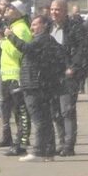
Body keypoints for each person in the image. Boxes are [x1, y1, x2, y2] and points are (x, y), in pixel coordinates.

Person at [15, 13, 62, 162]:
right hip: (40, 84)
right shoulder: (47, 40)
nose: (32, 28)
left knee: (39, 118)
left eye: (35, 24)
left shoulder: (42, 40)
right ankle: (49, 151)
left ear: (44, 25)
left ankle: (39, 151)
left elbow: (25, 48)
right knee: (46, 119)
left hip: (35, 84)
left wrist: (10, 36)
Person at [48, 0, 84, 157]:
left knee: (67, 110)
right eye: (52, 9)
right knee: (55, 112)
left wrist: (73, 67)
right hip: (51, 75)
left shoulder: (74, 28)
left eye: (57, 9)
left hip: (68, 75)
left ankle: (69, 145)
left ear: (65, 11)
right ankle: (61, 142)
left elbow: (81, 50)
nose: (54, 13)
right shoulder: (49, 27)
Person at [0, 4, 32, 153]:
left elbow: (18, 52)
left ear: (18, 12)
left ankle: (22, 143)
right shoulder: (11, 27)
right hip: (7, 75)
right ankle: (14, 140)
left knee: (21, 111)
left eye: (10, 8)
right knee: (11, 110)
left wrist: (3, 41)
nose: (7, 10)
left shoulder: (21, 28)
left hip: (16, 76)